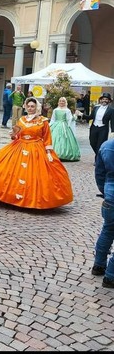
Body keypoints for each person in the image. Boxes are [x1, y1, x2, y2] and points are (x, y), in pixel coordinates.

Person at [0, 97, 73, 210]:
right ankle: (10, 196)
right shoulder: (21, 120)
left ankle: (31, 199)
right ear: (25, 107)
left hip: (36, 148)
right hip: (20, 146)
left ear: (36, 107)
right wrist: (13, 135)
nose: (30, 108)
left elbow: (47, 138)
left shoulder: (43, 121)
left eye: (32, 106)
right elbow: (17, 135)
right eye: (29, 106)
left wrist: (48, 152)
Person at [92, 137, 114, 288]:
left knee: (107, 230)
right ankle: (111, 276)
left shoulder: (106, 146)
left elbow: (99, 173)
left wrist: (106, 191)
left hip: (110, 197)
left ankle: (98, 265)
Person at [77, 92, 114, 159]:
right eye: (103, 99)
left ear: (109, 101)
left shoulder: (111, 110)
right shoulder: (96, 108)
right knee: (92, 143)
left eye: (106, 99)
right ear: (100, 100)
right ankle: (99, 155)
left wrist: (113, 130)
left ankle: (97, 159)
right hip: (94, 127)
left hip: (103, 129)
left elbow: (112, 120)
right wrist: (82, 115)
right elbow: (90, 117)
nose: (104, 100)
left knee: (100, 144)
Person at [49, 97, 81, 162]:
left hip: (64, 127)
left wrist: (75, 115)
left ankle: (63, 154)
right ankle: (54, 154)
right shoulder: (55, 110)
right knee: (54, 139)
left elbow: (70, 119)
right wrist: (49, 126)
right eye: (60, 101)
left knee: (64, 139)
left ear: (65, 102)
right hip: (56, 126)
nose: (61, 102)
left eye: (63, 101)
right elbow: (53, 119)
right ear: (58, 102)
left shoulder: (67, 110)